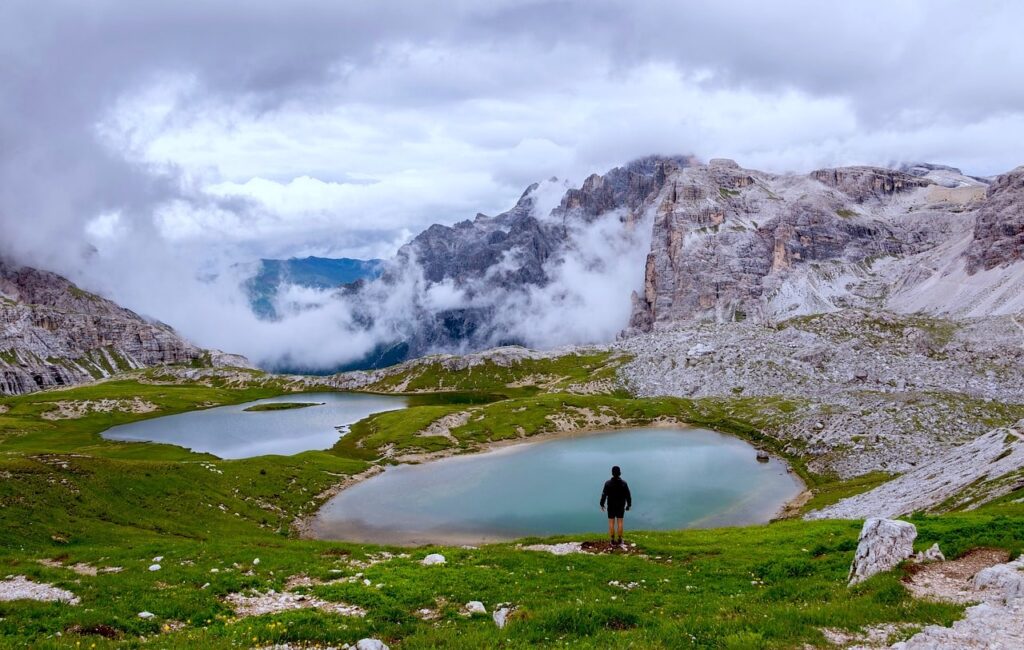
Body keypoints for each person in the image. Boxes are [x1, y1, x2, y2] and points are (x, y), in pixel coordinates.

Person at [599, 465, 631, 546]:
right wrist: (628, 505)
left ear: (612, 473)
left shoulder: (608, 483)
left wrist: (602, 504)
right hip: (620, 506)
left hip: (611, 506)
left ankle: (612, 540)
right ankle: (620, 539)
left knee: (611, 523)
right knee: (620, 522)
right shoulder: (624, 483)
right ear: (620, 473)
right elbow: (628, 495)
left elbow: (604, 495)